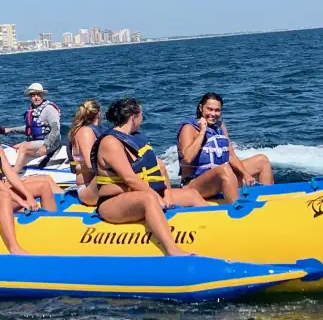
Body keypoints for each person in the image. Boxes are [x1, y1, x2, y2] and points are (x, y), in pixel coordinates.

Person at [91, 97, 209, 256]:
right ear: (133, 117)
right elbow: (130, 179)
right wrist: (156, 197)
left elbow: (158, 167)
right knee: (148, 199)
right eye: (141, 116)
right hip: (113, 202)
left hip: (139, 194)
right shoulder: (110, 142)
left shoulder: (135, 139)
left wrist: (166, 193)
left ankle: (216, 230)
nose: (142, 120)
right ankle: (172, 250)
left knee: (191, 194)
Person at [176, 92, 274, 203]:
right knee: (224, 169)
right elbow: (187, 157)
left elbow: (231, 155)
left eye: (217, 110)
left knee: (262, 160)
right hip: (194, 185)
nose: (213, 114)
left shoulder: (220, 126)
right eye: (210, 109)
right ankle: (237, 211)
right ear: (201, 108)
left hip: (221, 177)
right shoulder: (189, 128)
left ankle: (269, 201)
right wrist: (202, 131)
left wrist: (245, 174)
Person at [2, 83, 62, 174]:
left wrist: (45, 146)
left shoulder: (49, 109)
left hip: (50, 143)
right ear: (30, 97)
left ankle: (13, 175)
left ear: (43, 95)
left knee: (23, 147)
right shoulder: (33, 109)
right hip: (38, 142)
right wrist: (9, 130)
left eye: (38, 95)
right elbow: (31, 128)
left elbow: (56, 129)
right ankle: (19, 169)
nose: (36, 97)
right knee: (14, 147)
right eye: (33, 95)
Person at [66, 99, 104, 205]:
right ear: (99, 113)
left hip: (94, 185)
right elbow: (90, 164)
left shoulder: (89, 130)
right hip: (88, 189)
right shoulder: (85, 132)